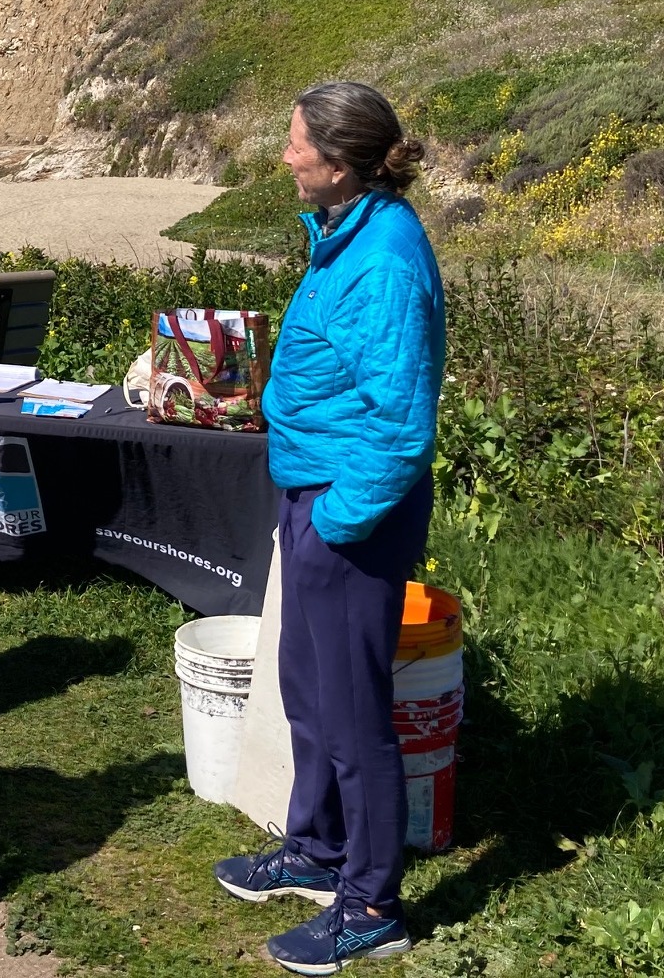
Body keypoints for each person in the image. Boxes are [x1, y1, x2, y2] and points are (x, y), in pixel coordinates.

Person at [213, 82, 444, 975]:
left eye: (293, 141)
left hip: (352, 511)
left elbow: (399, 424)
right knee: (308, 692)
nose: (283, 156)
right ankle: (315, 847)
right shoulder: (342, 235)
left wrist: (336, 526)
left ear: (337, 163)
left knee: (353, 714)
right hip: (316, 497)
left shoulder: (383, 258)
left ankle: (372, 902)